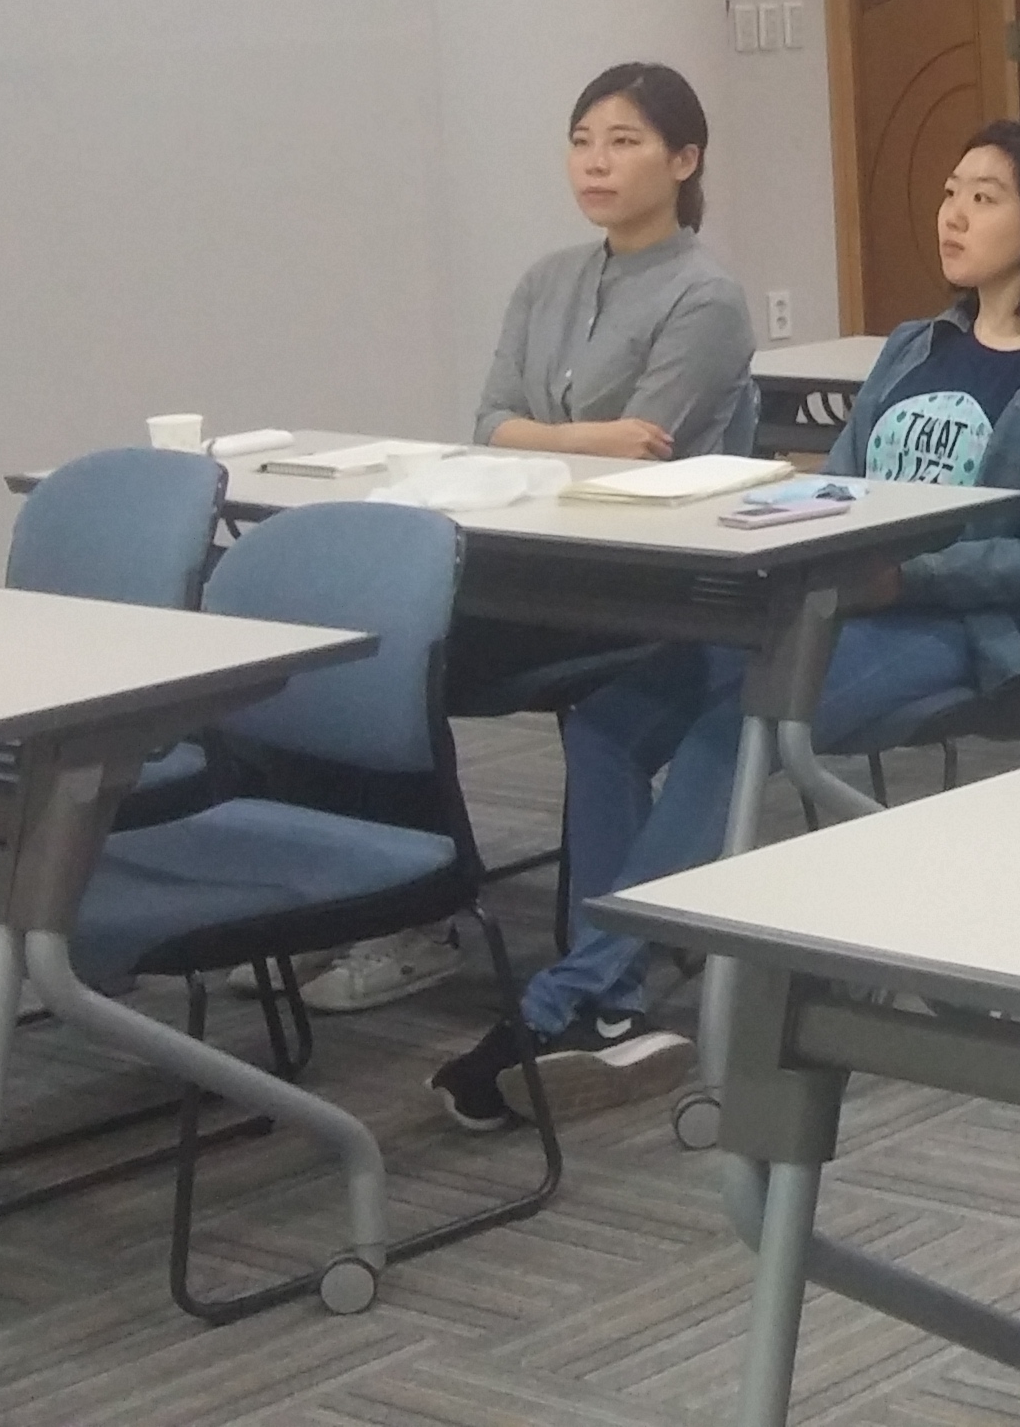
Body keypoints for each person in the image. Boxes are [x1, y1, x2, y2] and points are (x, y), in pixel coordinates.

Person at [433, 121, 1020, 1130]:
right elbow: (837, 490)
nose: (953, 215)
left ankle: (563, 1003)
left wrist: (899, 580)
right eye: (950, 191)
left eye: (984, 198)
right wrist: (761, 517)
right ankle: (613, 999)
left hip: (961, 629)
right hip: (828, 601)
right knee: (607, 721)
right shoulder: (913, 346)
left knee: (736, 730)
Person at [309, 62, 756, 1016]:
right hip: (517, 563)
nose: (596, 163)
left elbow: (647, 450)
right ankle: (395, 903)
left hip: (630, 589)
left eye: (624, 143)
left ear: (683, 160)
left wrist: (544, 438)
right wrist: (584, 437)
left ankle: (425, 914)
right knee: (353, 650)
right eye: (583, 141)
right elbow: (488, 426)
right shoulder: (547, 279)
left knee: (404, 662)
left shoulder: (705, 296)